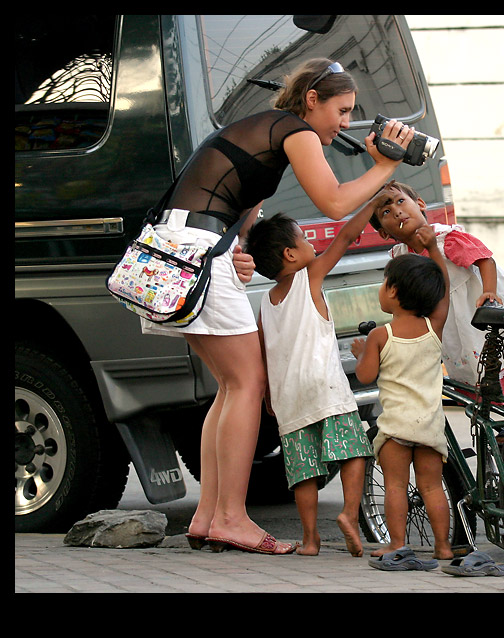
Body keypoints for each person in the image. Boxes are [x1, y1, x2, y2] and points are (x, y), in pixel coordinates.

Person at [139, 58, 415, 555]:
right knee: (248, 383)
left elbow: (238, 211)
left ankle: (207, 516)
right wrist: (386, 165)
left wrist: (239, 253)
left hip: (180, 250)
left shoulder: (262, 130)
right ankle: (230, 517)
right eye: (343, 110)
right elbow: (333, 203)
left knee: (230, 385)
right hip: (193, 252)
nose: (346, 123)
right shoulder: (294, 130)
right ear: (313, 99)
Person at [368, 180, 504, 420]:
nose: (397, 210)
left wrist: (489, 292)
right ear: (384, 232)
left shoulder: (445, 239)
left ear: (420, 204)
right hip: (455, 328)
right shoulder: (401, 258)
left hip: (479, 317)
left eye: (401, 201)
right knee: (501, 386)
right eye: (386, 211)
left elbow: (484, 260)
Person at [245, 204, 378, 557]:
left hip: (289, 398)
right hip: (325, 386)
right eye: (303, 238)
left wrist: (269, 398)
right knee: (352, 452)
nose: (310, 243)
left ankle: (309, 540)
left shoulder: (266, 302)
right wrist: (375, 203)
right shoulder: (310, 276)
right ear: (290, 254)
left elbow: (264, 353)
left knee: (303, 472)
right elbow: (345, 237)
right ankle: (350, 514)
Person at [350, 224, 453, 569]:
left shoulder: (381, 334)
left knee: (395, 486)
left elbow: (365, 376)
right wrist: (435, 251)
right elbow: (445, 295)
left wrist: (362, 351)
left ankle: (397, 543)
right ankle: (443, 548)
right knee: (433, 488)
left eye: (383, 284)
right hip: (429, 425)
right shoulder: (432, 327)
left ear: (393, 292)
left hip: (395, 427)